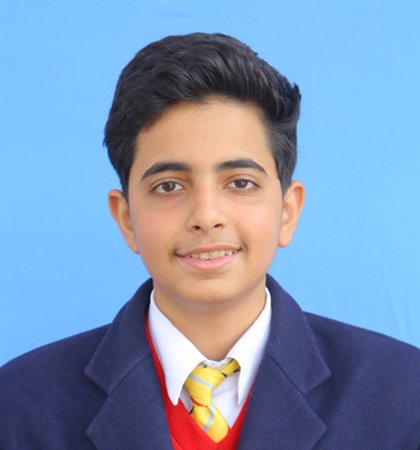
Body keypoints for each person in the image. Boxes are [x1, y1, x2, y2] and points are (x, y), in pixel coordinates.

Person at [0, 32, 419, 450]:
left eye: (240, 182)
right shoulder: (19, 405)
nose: (206, 216)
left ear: (288, 211)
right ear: (126, 218)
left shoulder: (403, 395)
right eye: (168, 186)